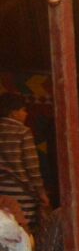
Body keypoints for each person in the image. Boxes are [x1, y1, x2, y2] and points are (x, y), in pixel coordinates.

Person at [0, 93, 47, 226]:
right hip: (20, 190)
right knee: (21, 228)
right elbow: (32, 167)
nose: (26, 114)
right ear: (13, 113)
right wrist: (41, 192)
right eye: (23, 110)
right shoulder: (23, 131)